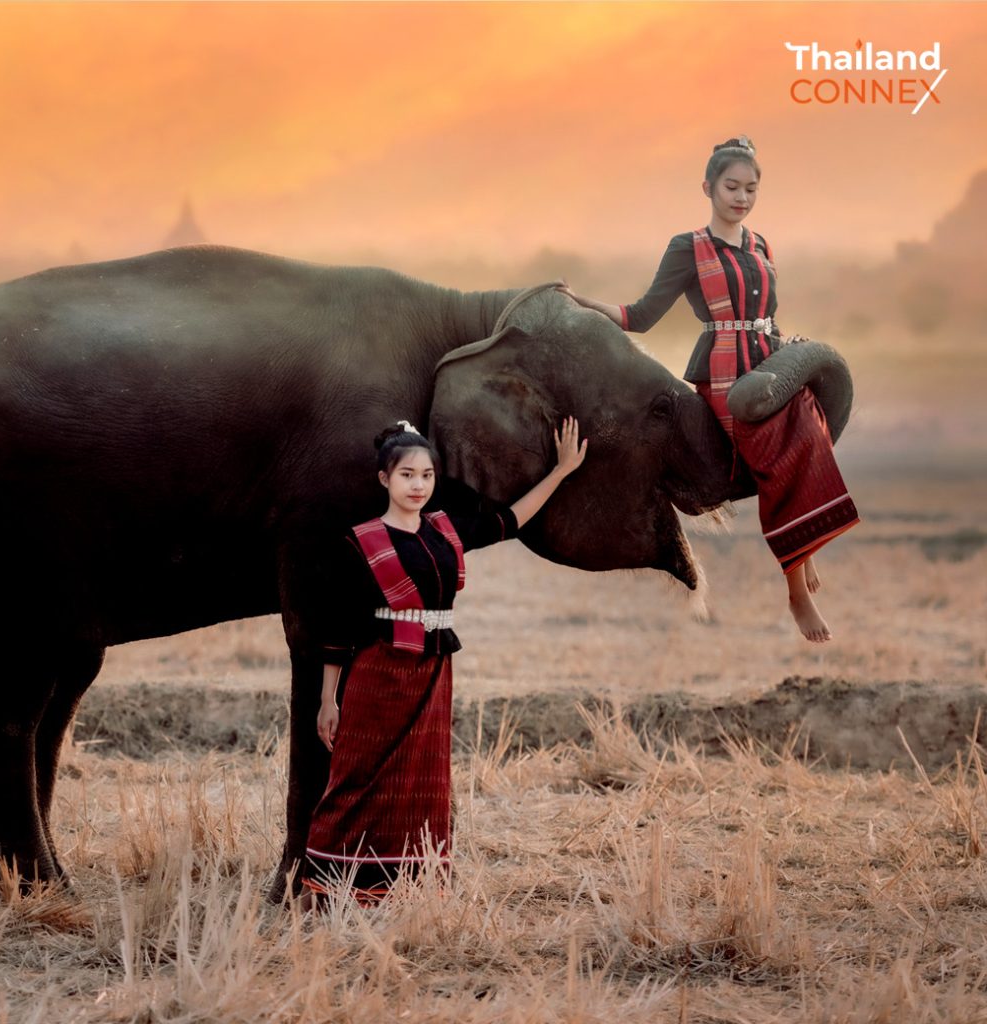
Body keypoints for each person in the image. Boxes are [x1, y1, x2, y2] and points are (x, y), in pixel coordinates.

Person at [558, 135, 859, 643]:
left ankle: (803, 553)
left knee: (811, 430)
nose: (741, 198)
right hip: (726, 373)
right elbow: (641, 316)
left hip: (771, 363)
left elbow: (770, 315)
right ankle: (796, 592)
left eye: (751, 189)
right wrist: (579, 302)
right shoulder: (688, 247)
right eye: (732, 187)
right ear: (708, 187)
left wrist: (792, 353)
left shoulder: (761, 245)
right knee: (774, 451)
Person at [301, 416, 587, 905]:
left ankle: (405, 886)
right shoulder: (360, 541)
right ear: (384, 479)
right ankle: (324, 884)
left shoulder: (445, 530)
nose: (418, 485)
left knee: (421, 780)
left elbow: (512, 520)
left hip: (433, 671)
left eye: (427, 475)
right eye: (407, 474)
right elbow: (339, 625)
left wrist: (561, 471)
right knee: (357, 777)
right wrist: (329, 699)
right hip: (378, 671)